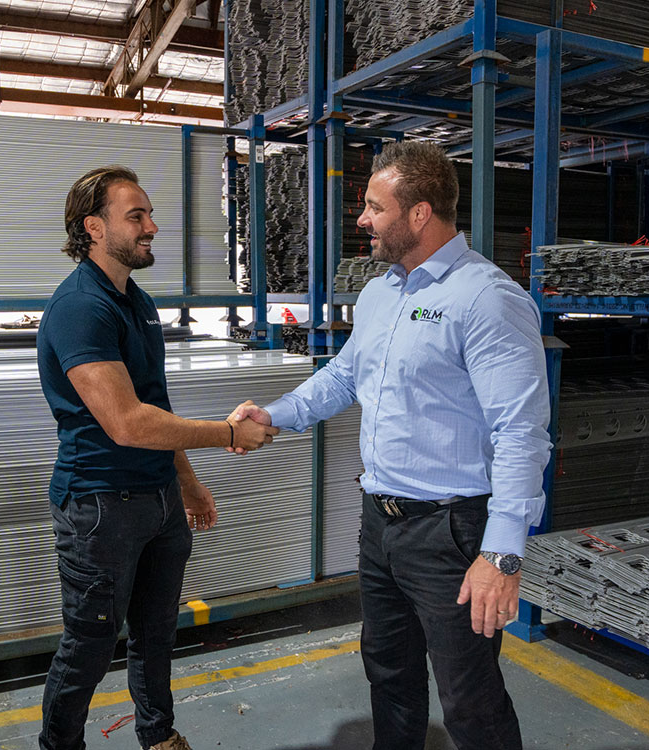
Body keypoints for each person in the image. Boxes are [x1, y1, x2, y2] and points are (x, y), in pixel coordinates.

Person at [231, 141, 551, 750]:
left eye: (375, 207)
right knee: (389, 673)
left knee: (470, 700)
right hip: (380, 522)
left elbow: (521, 432)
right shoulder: (382, 293)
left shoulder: (486, 299)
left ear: (420, 213)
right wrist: (272, 414)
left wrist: (502, 554)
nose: (362, 219)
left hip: (451, 532)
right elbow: (343, 377)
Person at [36, 165, 278, 750]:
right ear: (94, 228)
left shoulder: (138, 303)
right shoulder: (80, 308)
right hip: (101, 506)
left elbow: (155, 406)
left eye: (150, 214)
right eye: (136, 216)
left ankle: (158, 734)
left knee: (156, 632)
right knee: (90, 645)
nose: (152, 227)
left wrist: (187, 484)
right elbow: (126, 422)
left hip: (160, 499)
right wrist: (228, 434)